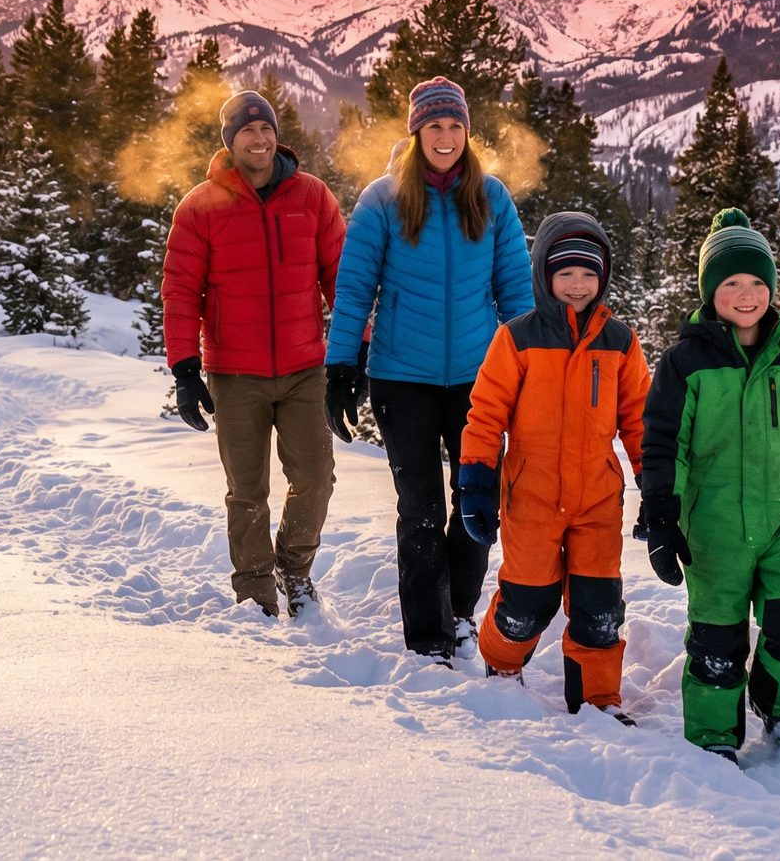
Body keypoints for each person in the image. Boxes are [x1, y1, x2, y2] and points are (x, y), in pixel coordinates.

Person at [325, 77, 534, 660]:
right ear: (417, 132)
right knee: (420, 510)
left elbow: (516, 292)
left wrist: (532, 368)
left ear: (467, 133)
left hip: (478, 379)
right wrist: (341, 364)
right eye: (434, 126)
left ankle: (461, 612)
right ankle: (428, 636)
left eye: (455, 126)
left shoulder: (491, 198)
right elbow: (354, 290)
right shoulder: (383, 201)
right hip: (401, 377)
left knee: (474, 503)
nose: (445, 136)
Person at [640, 208, 780, 763]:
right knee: (718, 644)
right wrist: (662, 515)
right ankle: (713, 741)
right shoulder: (685, 362)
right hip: (712, 527)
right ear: (710, 290)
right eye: (731, 282)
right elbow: (666, 444)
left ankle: (773, 703)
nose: (745, 294)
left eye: (757, 282)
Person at [161, 90, 348, 618]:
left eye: (265, 129)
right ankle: (255, 593)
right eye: (247, 131)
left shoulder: (312, 197)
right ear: (230, 141)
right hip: (234, 373)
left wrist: (354, 355)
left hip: (304, 368)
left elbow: (341, 279)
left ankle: (294, 567)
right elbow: (180, 290)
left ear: (276, 135)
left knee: (315, 478)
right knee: (247, 492)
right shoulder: (201, 206)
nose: (259, 139)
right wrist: (184, 369)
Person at [455, 211, 650, 719]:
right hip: (532, 494)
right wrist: (476, 481)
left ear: (603, 277)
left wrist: (656, 484)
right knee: (527, 604)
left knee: (600, 608)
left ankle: (597, 699)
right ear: (545, 275)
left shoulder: (621, 343)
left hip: (598, 498)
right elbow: (485, 412)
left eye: (589, 274)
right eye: (566, 274)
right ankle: (500, 662)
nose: (578, 285)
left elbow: (639, 420)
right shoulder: (517, 338)